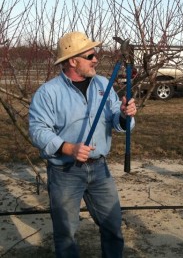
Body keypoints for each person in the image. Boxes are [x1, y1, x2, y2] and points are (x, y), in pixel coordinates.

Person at [29, 31, 137, 258]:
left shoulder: (103, 84)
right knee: (66, 234)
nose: (96, 59)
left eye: (95, 54)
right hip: (65, 171)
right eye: (90, 55)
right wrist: (69, 148)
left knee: (113, 227)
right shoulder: (49, 92)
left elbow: (117, 118)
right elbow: (38, 130)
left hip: (99, 169)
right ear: (72, 60)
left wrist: (126, 115)